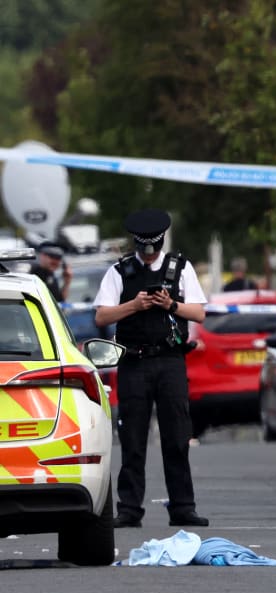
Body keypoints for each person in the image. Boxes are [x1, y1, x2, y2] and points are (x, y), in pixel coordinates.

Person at [94, 208, 209, 528]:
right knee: (132, 439)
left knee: (177, 436)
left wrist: (169, 304)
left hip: (171, 360)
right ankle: (129, 508)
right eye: (144, 250)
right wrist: (135, 305)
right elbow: (101, 317)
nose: (149, 256)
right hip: (134, 362)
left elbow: (198, 313)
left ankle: (183, 506)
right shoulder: (120, 272)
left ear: (159, 245)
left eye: (153, 249)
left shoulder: (180, 268)